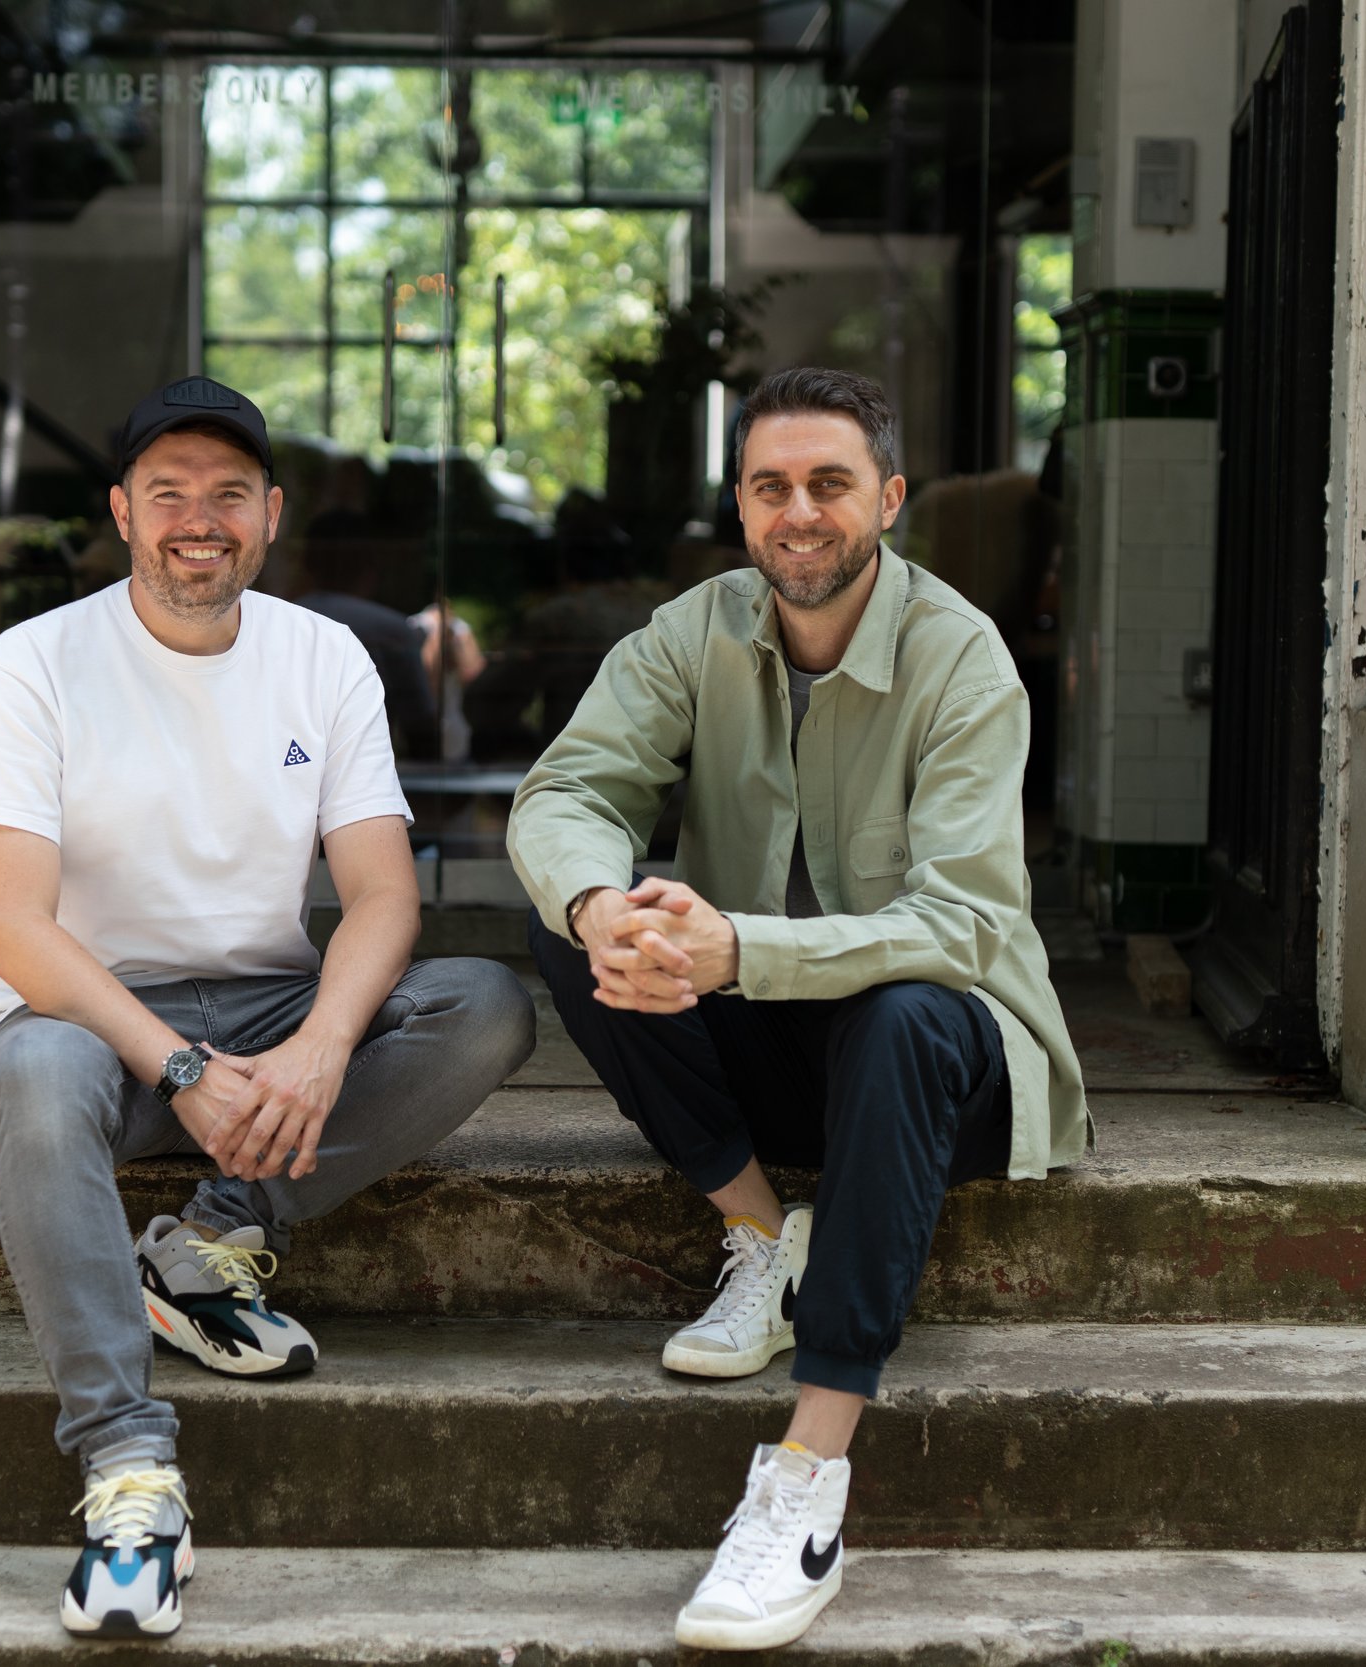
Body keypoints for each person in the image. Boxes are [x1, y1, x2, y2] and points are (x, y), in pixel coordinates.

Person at [0, 375, 536, 1639]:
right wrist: (182, 1065)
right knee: (34, 1077)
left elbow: (377, 896)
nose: (198, 519)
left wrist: (315, 1049)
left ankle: (209, 1238)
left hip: (265, 1003)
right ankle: (127, 1468)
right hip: (90, 1018)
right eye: (168, 495)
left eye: (227, 495)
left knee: (484, 1004)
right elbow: (14, 928)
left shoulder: (325, 658)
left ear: (270, 514)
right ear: (121, 513)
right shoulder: (34, 664)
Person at [507, 366, 1090, 1651]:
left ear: (886, 497)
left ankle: (808, 1473)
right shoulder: (695, 628)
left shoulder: (963, 657)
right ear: (741, 503)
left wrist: (735, 951)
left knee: (898, 1012)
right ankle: (766, 1237)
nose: (800, 512)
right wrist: (610, 908)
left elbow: (960, 922)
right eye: (771, 485)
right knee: (578, 926)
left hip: (952, 1067)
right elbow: (564, 795)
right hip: (784, 1049)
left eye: (830, 483)